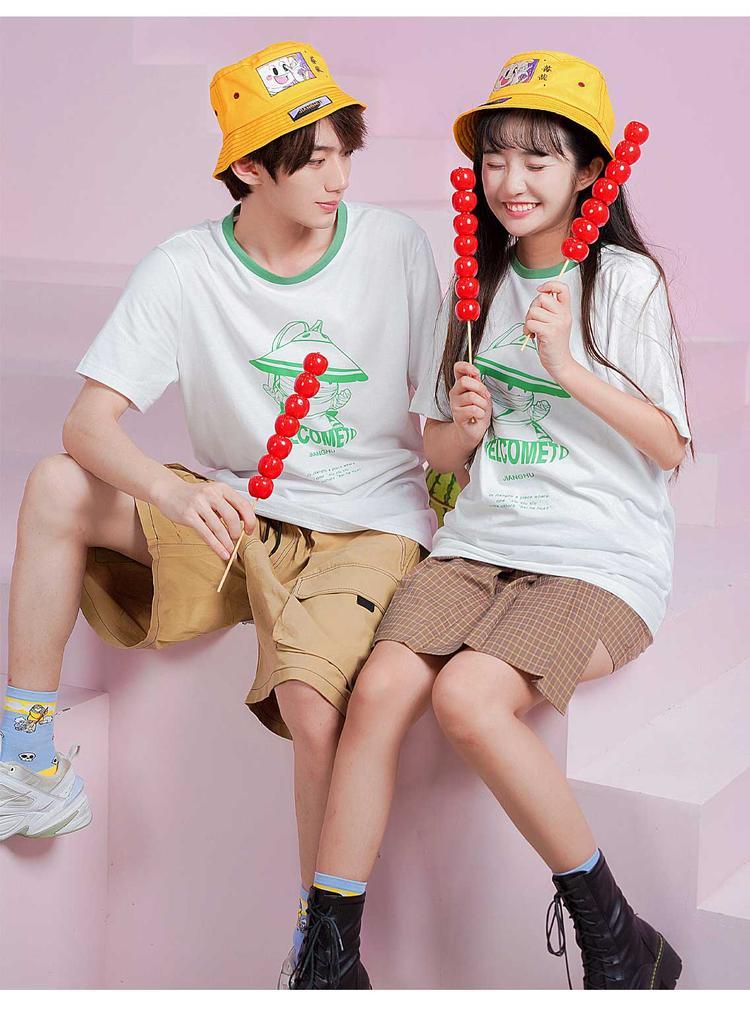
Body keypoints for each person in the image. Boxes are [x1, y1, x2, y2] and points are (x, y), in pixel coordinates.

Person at [0, 41, 441, 987]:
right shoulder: (185, 266)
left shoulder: (395, 247)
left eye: (343, 153)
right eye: (311, 160)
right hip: (237, 519)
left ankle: (317, 952)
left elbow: (438, 420)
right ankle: (23, 760)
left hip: (367, 525)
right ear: (248, 169)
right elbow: (87, 424)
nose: (338, 178)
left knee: (313, 705)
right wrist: (176, 490)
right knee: (55, 482)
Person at [290, 50, 691, 990]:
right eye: (497, 157)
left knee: (467, 698)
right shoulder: (477, 286)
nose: (511, 179)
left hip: (596, 557)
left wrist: (568, 368)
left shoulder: (622, 281)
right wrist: (463, 431)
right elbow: (439, 449)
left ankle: (617, 938)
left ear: (589, 172)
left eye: (539, 158)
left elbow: (670, 445)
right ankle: (327, 959)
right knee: (377, 690)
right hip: (479, 545)